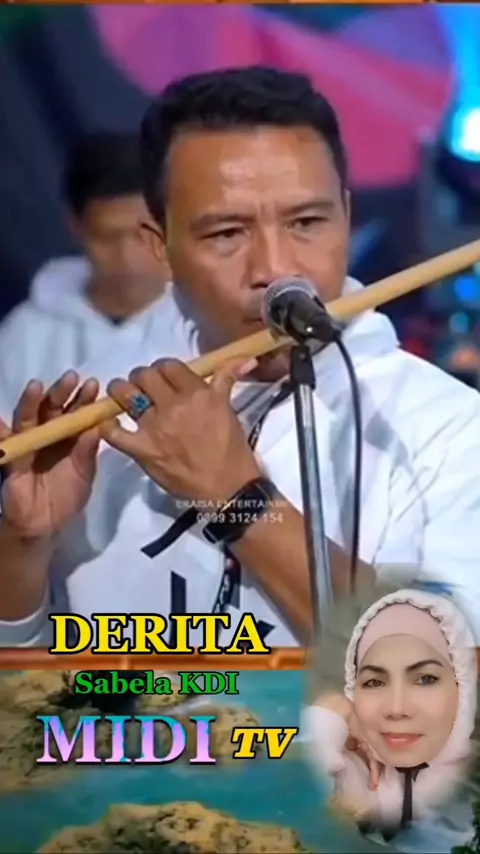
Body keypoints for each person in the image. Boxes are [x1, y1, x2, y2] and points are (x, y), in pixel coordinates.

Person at [1, 66, 480, 648]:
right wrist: (23, 548)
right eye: (227, 233)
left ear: (346, 217)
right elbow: (35, 689)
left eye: (307, 222)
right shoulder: (100, 413)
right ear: (161, 247)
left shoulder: (448, 429)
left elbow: (444, 673)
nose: (275, 269)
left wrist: (235, 497)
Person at [0, 132, 176, 412]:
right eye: (107, 236)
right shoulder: (25, 334)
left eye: (142, 235)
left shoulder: (204, 319)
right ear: (75, 225)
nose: (127, 257)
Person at [302, 588, 477, 839]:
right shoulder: (363, 775)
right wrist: (341, 714)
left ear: (462, 688)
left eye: (425, 679)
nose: (396, 708)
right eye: (374, 682)